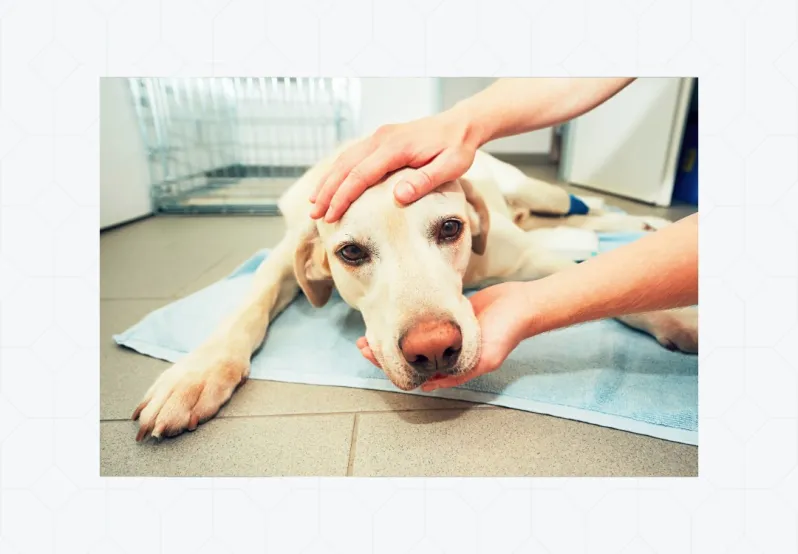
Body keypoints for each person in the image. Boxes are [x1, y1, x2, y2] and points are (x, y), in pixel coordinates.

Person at [308, 78, 698, 391]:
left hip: (497, 190)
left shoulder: (476, 207)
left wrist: (650, 313)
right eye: (355, 253)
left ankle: (593, 211)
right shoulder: (315, 221)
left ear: (475, 222)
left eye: (447, 229)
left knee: (550, 199)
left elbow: (549, 264)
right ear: (318, 262)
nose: (431, 342)